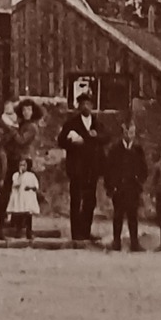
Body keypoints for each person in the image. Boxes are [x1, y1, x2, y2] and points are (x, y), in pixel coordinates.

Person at [57, 93, 106, 243]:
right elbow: (61, 141)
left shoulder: (97, 123)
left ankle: (86, 231)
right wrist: (73, 142)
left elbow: (107, 138)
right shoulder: (71, 124)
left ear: (92, 106)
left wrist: (96, 136)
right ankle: (76, 233)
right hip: (77, 168)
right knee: (76, 200)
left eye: (89, 104)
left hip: (92, 169)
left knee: (90, 200)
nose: (86, 106)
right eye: (83, 104)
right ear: (79, 106)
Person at [104, 122, 149, 252]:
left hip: (132, 188)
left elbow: (143, 169)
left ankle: (134, 243)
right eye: (129, 132)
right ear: (123, 133)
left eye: (133, 133)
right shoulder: (115, 149)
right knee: (118, 215)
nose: (131, 136)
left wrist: (139, 182)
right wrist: (110, 187)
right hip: (119, 188)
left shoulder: (138, 149)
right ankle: (116, 242)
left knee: (133, 216)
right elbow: (109, 170)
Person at [6, 155, 42, 241]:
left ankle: (29, 232)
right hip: (19, 197)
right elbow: (16, 184)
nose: (22, 167)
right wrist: (20, 175)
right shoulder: (16, 175)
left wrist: (31, 187)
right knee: (19, 213)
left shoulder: (31, 175)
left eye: (24, 165)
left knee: (28, 214)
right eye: (20, 165)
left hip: (28, 197)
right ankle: (18, 231)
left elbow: (36, 186)